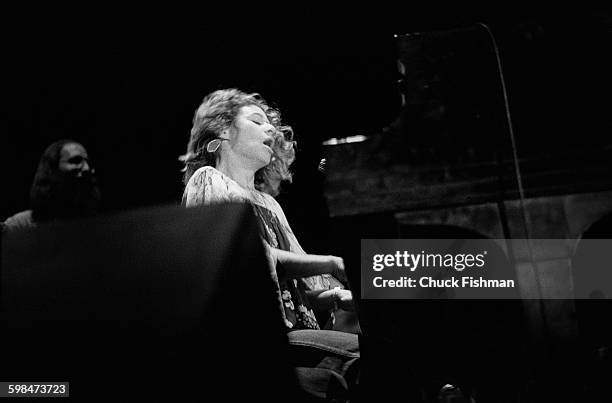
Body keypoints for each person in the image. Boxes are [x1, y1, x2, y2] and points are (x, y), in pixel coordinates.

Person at [180, 89, 359, 401]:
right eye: (256, 121)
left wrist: (337, 296)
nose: (271, 130)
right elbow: (253, 260)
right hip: (251, 341)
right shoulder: (208, 180)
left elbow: (303, 292)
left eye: (270, 125)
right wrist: (333, 262)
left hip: (292, 336)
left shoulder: (270, 205)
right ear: (222, 131)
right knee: (367, 357)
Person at [3, 139, 100, 231]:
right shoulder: (21, 225)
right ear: (52, 171)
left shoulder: (97, 224)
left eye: (88, 162)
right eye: (75, 161)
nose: (87, 168)